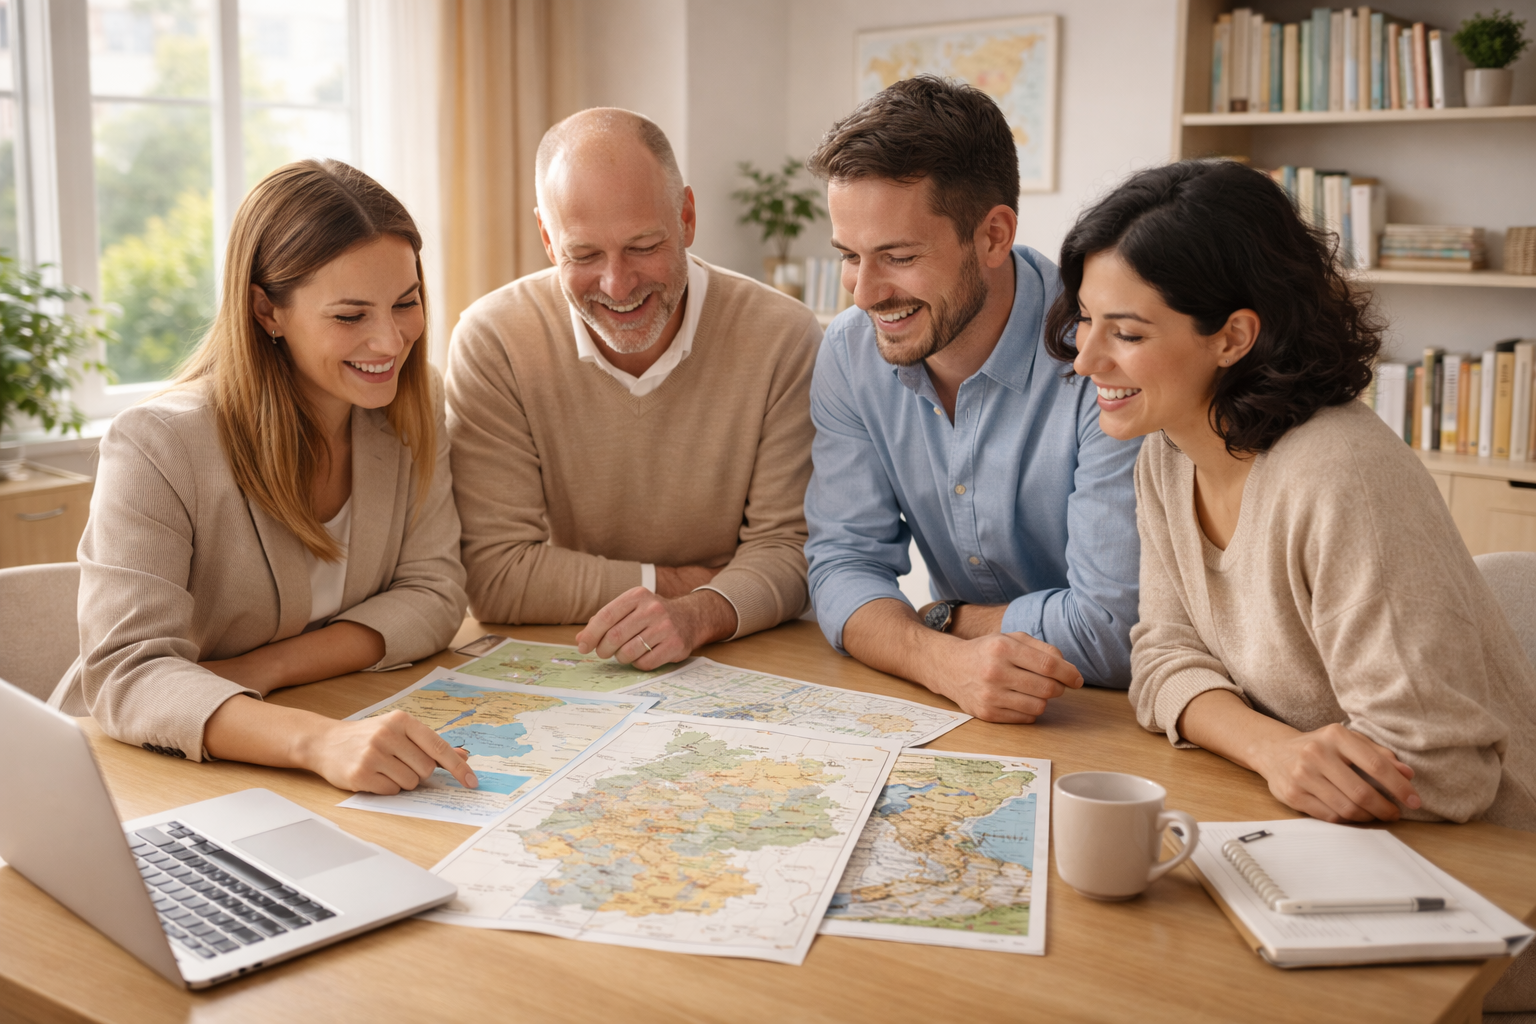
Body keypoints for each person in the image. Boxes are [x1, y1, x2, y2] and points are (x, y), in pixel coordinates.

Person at [1049, 158, 1536, 834]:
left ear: (1233, 336)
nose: (1085, 359)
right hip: (1313, 823)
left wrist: (1276, 754)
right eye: (1087, 321)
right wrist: (1271, 749)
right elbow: (1160, 658)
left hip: (1477, 859)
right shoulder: (1168, 453)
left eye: (1126, 333)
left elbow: (1443, 772)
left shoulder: (1343, 476)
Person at [51, 160, 477, 796]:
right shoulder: (158, 444)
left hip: (318, 720)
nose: (390, 340)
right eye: (350, 315)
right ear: (266, 311)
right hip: (159, 769)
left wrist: (265, 666)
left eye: (406, 302)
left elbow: (435, 592)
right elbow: (125, 675)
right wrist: (318, 740)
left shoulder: (413, 407)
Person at [802, 76, 1141, 724]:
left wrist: (941, 621)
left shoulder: (1105, 355)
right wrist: (938, 662)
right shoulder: (850, 352)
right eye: (849, 255)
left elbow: (1111, 627)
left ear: (992, 236)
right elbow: (843, 566)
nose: (864, 292)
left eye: (897, 256)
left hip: (1114, 721)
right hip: (968, 711)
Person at [446, 108, 820, 668]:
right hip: (573, 654)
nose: (618, 284)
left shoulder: (783, 337)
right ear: (548, 240)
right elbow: (498, 577)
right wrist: (681, 584)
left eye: (644, 246)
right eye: (584, 254)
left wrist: (699, 613)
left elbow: (791, 554)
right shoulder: (494, 338)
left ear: (687, 218)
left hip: (750, 650)